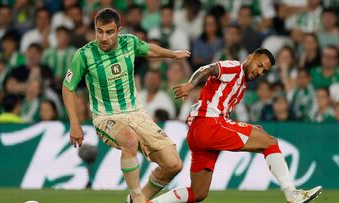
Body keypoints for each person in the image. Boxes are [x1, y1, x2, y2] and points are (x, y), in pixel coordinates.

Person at [147, 48, 322, 203]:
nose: (259, 72)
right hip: (208, 124)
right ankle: (292, 194)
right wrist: (190, 85)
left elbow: (222, 112)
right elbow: (206, 69)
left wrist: (247, 127)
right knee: (270, 143)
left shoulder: (242, 84)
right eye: (259, 65)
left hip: (200, 133)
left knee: (199, 193)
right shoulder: (234, 67)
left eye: (264, 71)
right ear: (250, 57)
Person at [62, 8, 190, 203]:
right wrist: (74, 123)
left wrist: (172, 55)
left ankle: (135, 200)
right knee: (129, 141)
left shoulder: (129, 43)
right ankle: (138, 198)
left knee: (173, 164)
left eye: (109, 32)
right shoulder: (85, 55)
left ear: (118, 30)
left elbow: (149, 49)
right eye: (99, 31)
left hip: (137, 114)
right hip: (107, 117)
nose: (103, 37)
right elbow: (67, 87)